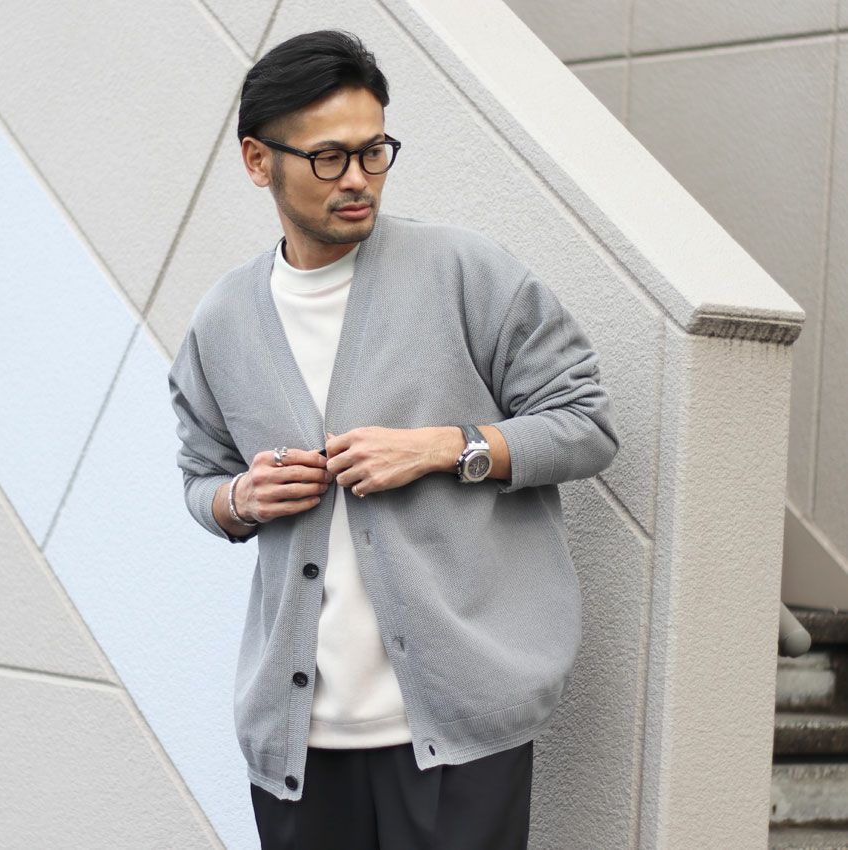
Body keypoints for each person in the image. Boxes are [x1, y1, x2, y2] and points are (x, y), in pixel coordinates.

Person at [167, 28, 619, 850]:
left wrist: (448, 447)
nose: (357, 179)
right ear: (258, 161)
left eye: (374, 152)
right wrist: (240, 499)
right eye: (328, 158)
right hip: (298, 742)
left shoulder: (465, 271)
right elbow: (201, 476)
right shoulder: (223, 320)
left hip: (458, 732)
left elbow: (585, 423)